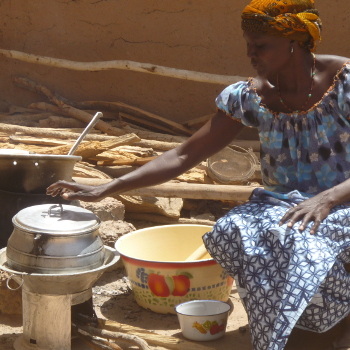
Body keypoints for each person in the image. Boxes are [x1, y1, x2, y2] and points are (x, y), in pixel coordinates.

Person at [47, 0, 350, 349]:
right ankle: (293, 324)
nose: (250, 53)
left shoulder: (340, 81)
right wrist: (108, 187)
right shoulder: (251, 96)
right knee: (231, 231)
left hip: (340, 200)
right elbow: (185, 154)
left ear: (294, 42)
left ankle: (327, 319)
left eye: (261, 45)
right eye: (247, 43)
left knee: (296, 240)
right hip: (283, 206)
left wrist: (327, 198)